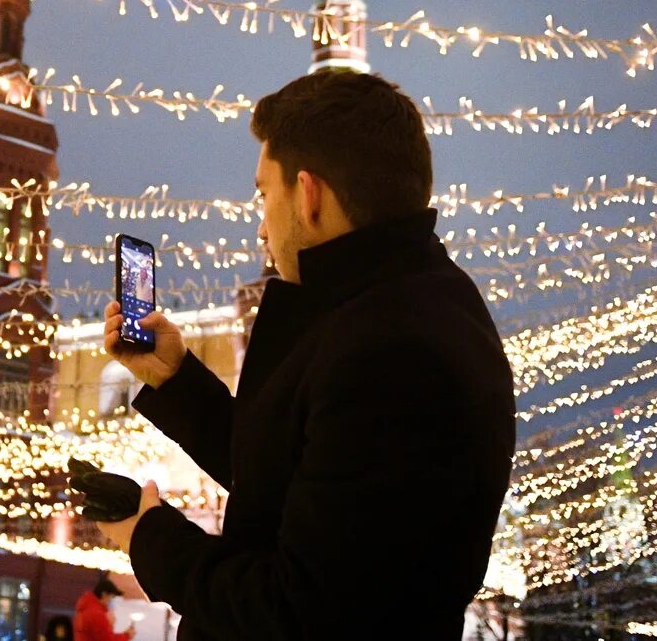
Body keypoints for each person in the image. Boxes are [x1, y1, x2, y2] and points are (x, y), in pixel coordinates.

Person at [99, 71, 516, 639]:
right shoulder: (397, 306)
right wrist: (173, 378)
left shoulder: (391, 347)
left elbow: (301, 610)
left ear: (310, 193)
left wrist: (151, 539)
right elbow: (294, 473)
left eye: (265, 195)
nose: (262, 225)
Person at [72, 577, 121, 641]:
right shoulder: (97, 614)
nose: (110, 601)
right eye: (111, 597)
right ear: (104, 594)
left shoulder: (85, 609)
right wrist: (126, 635)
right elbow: (107, 639)